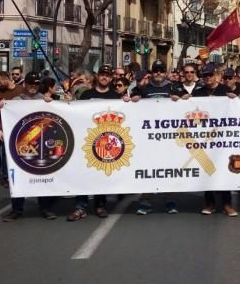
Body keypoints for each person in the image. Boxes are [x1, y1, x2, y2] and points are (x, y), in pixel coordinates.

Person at [2, 73, 57, 221]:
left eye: (36, 84)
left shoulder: (44, 99)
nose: (33, 86)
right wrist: (2, 107)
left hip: (42, 143)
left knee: (43, 175)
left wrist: (52, 102)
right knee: (20, 176)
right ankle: (17, 209)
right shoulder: (15, 101)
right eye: (31, 83)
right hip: (23, 144)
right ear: (25, 84)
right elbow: (5, 113)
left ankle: (45, 208)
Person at [129, 61, 180, 215]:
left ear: (165, 72)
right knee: (149, 169)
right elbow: (132, 96)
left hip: (168, 136)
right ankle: (146, 201)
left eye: (161, 70)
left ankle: (169, 200)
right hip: (148, 137)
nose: (158, 73)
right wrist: (133, 98)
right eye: (156, 70)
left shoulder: (172, 87)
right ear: (152, 72)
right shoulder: (144, 88)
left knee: (168, 169)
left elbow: (187, 99)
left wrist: (182, 97)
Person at [69, 65, 119, 221]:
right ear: (97, 76)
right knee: (83, 174)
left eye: (108, 75)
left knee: (101, 174)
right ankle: (80, 206)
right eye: (102, 74)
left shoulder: (116, 96)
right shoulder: (86, 95)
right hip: (87, 140)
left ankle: (100, 205)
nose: (105, 77)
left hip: (106, 141)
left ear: (111, 78)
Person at [196, 63, 236, 216]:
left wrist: (238, 98)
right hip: (204, 138)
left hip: (223, 137)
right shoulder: (198, 92)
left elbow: (237, 108)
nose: (207, 78)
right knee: (207, 169)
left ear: (216, 75)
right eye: (204, 75)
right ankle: (210, 203)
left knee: (224, 169)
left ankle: (227, 204)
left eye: (209, 75)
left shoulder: (225, 91)